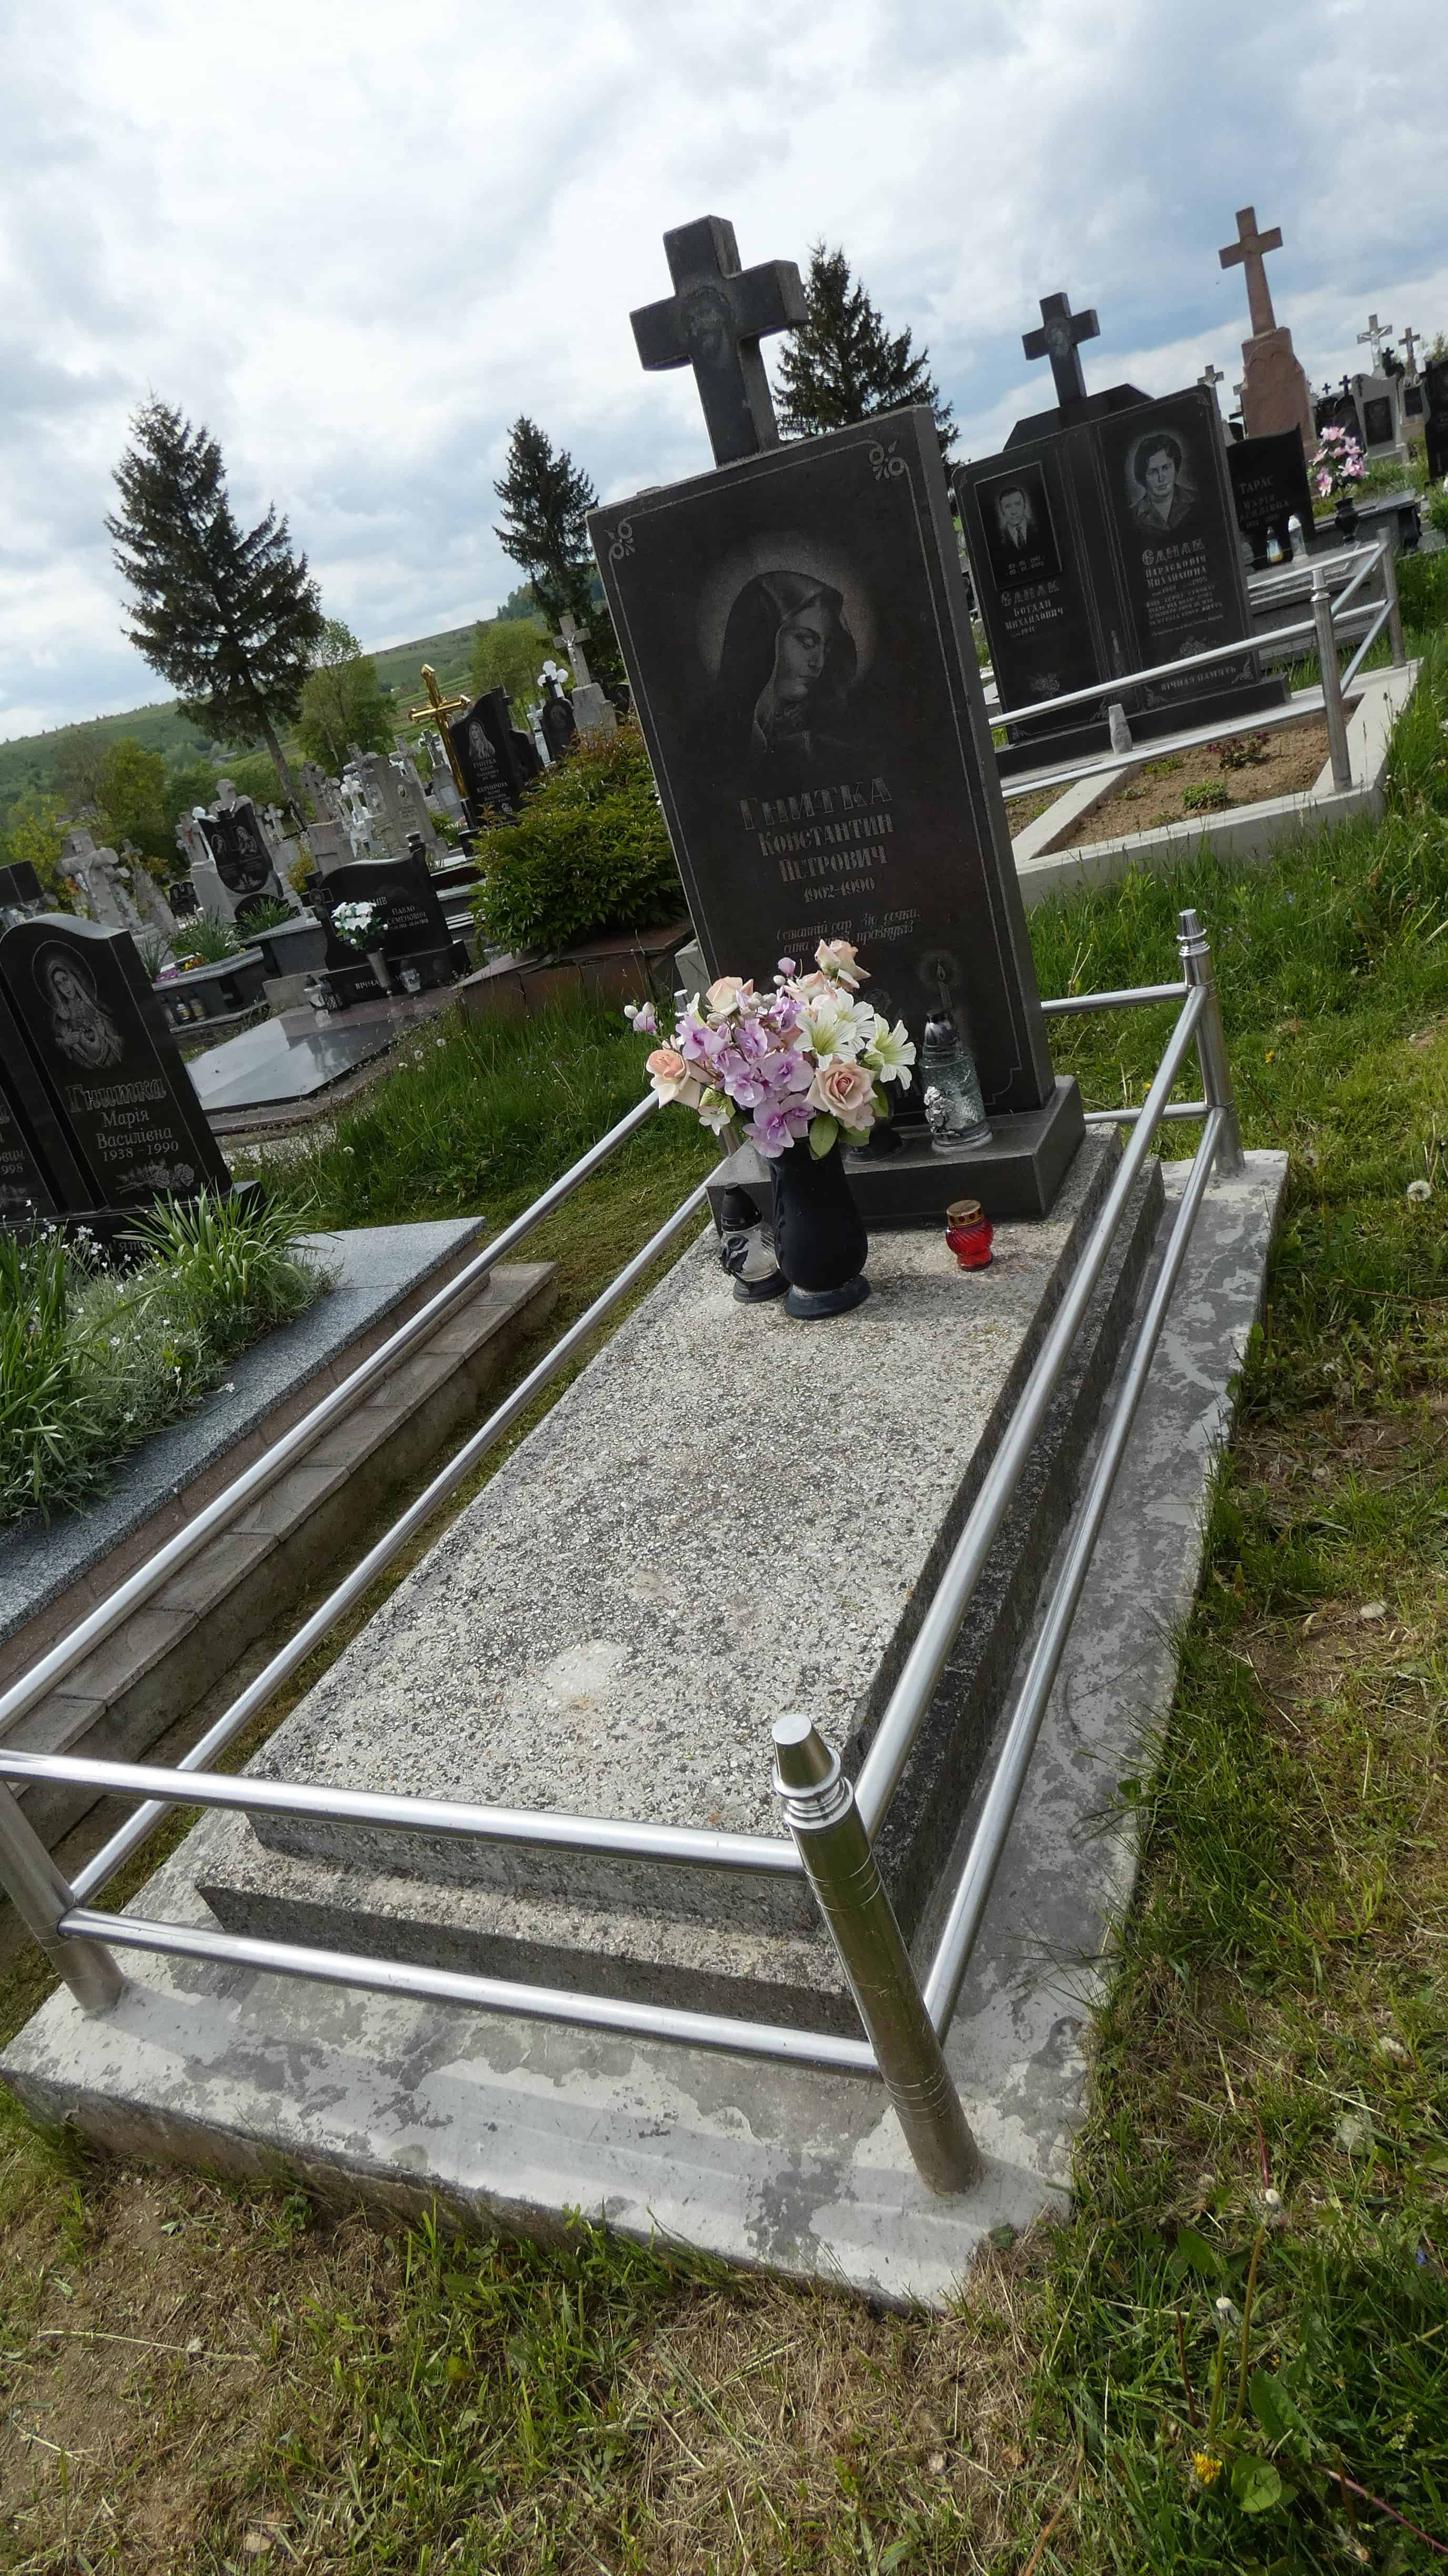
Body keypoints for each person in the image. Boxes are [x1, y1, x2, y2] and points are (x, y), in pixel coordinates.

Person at [717, 569, 857, 784]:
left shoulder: (827, 748)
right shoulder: (715, 741)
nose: (819, 663)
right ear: (763, 637)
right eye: (807, 642)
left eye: (827, 649)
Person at [36, 948, 124, 1071]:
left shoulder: (95, 1007)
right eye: (59, 984)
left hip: (111, 1064)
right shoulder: (60, 1018)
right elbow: (51, 1046)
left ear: (73, 979)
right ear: (56, 989)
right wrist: (65, 1042)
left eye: (66, 979)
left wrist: (105, 1035)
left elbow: (120, 1042)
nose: (64, 986)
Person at [1129, 431, 1196, 532]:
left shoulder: (1197, 500)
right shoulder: (1132, 516)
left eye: (1166, 468)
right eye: (1153, 472)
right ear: (1143, 477)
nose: (1161, 478)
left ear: (1176, 469)